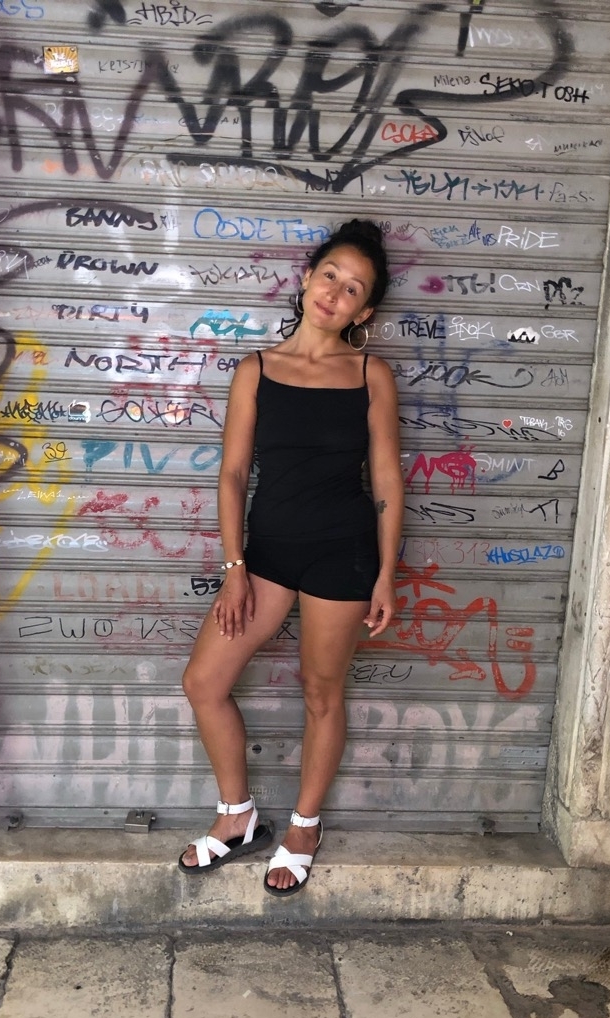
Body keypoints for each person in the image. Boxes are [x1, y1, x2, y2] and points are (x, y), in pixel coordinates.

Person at [178, 219, 403, 896]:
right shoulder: (256, 369)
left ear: (363, 312)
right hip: (268, 554)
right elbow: (231, 474)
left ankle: (304, 827)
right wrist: (234, 568)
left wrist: (386, 573)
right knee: (204, 682)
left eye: (353, 288)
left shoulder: (370, 374)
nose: (335, 291)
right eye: (329, 274)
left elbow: (387, 478)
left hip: (343, 555)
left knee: (320, 691)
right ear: (306, 279)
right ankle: (237, 816)